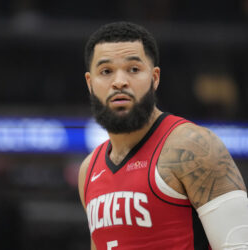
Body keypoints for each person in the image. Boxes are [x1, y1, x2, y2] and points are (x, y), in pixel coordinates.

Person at [78, 21, 248, 250]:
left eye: (134, 69)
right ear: (90, 83)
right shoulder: (88, 171)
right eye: (106, 71)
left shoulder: (193, 147)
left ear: (155, 78)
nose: (119, 82)